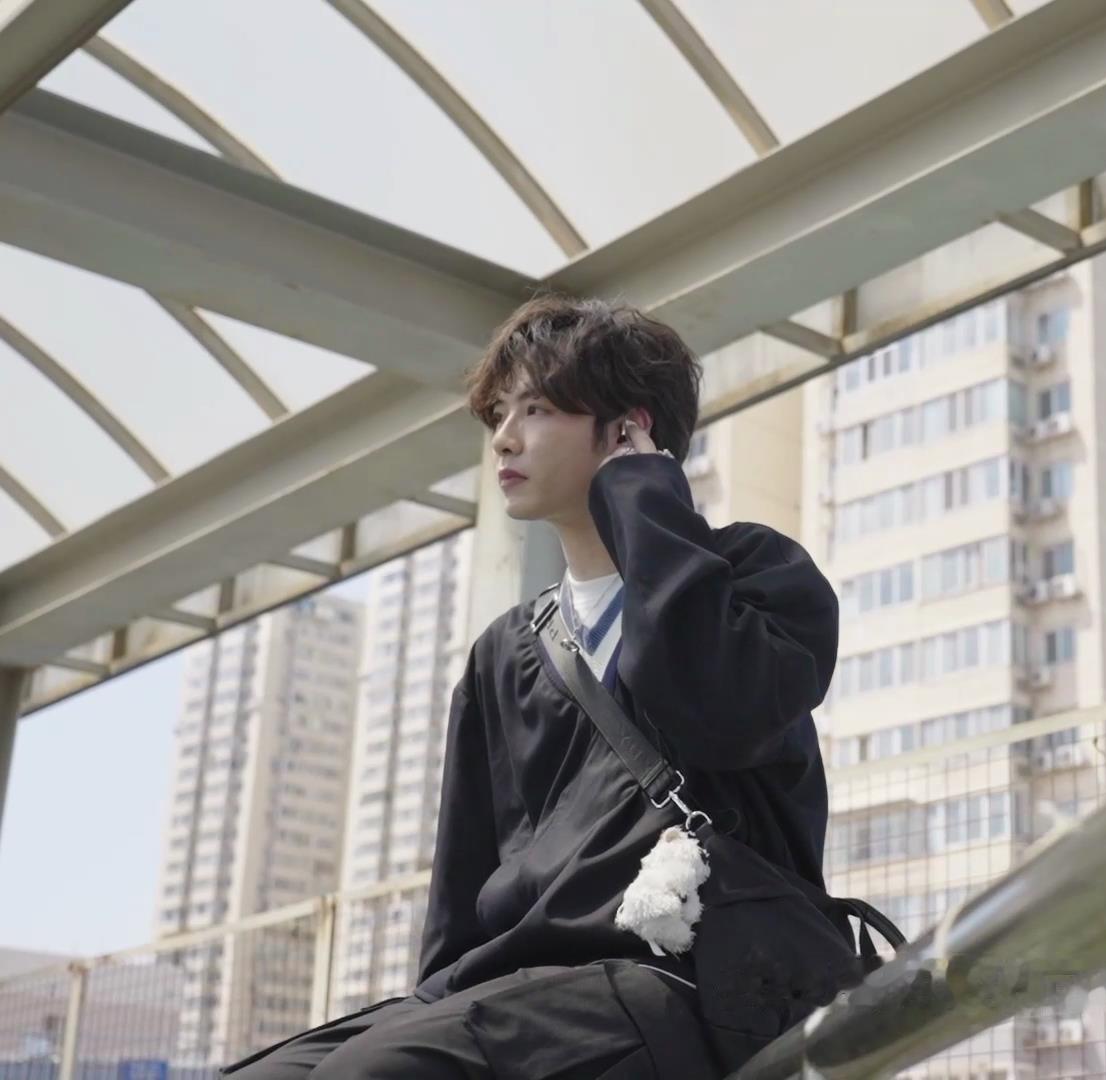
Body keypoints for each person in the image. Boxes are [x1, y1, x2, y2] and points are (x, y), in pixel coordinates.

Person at [221, 295, 839, 1078]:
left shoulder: (751, 573)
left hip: (692, 979)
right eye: (499, 414)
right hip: (525, 995)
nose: (504, 437)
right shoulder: (505, 652)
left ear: (627, 429)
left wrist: (644, 492)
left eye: (537, 409)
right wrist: (432, 1010)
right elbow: (465, 884)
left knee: (371, 1074)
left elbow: (718, 710)